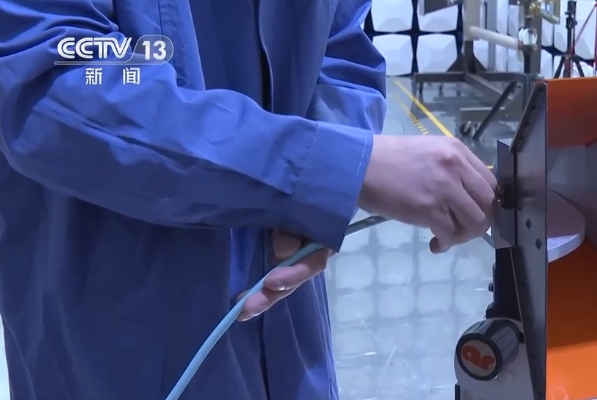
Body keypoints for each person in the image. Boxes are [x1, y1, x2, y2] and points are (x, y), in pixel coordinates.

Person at [0, 0, 498, 398]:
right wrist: (327, 168)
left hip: (290, 334)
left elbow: (342, 48)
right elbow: (48, 84)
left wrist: (324, 185)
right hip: (116, 335)